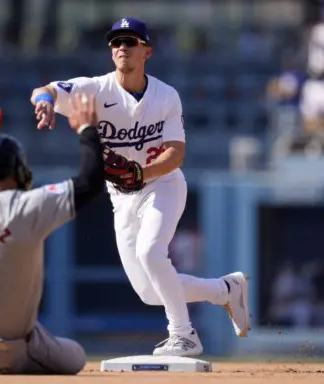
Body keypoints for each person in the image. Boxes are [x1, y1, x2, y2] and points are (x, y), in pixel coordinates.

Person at [30, 17, 250, 357]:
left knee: (151, 253)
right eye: (116, 42)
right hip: (122, 198)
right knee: (149, 291)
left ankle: (183, 334)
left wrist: (141, 173)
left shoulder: (166, 96)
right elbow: (46, 89)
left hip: (162, 186)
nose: (121, 47)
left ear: (146, 51)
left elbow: (176, 154)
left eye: (130, 42)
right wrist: (43, 101)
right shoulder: (95, 89)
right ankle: (225, 290)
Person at [0, 94, 104, 374]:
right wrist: (87, 130)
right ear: (19, 171)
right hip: (8, 348)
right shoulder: (25, 208)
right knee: (76, 357)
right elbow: (90, 181)